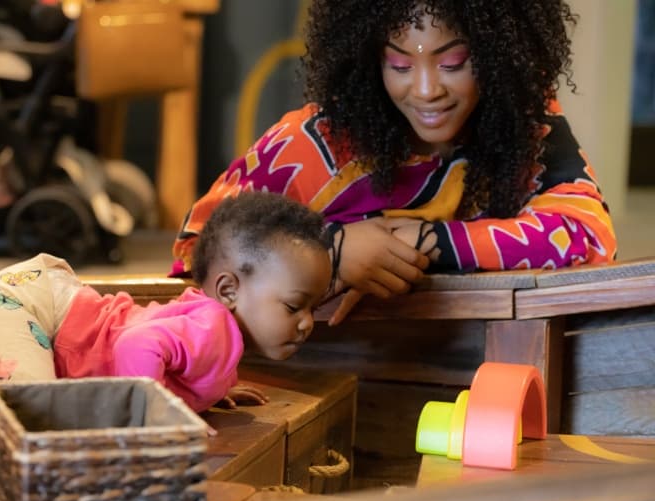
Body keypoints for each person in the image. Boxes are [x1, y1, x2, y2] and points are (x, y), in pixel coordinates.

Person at [171, 0, 617, 326]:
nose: (426, 90)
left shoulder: (525, 125)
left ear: (500, 52)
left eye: (454, 62)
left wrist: (426, 243)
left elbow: (589, 236)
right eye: (400, 65)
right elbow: (194, 255)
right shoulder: (310, 147)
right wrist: (329, 254)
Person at [0, 192, 333, 422]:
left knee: (46, 399)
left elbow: (170, 358)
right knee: (31, 412)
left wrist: (215, 389)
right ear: (229, 290)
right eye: (295, 306)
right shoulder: (216, 328)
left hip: (45, 306)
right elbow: (136, 346)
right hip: (30, 305)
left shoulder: (216, 333)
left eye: (312, 307)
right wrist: (154, 417)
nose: (307, 323)